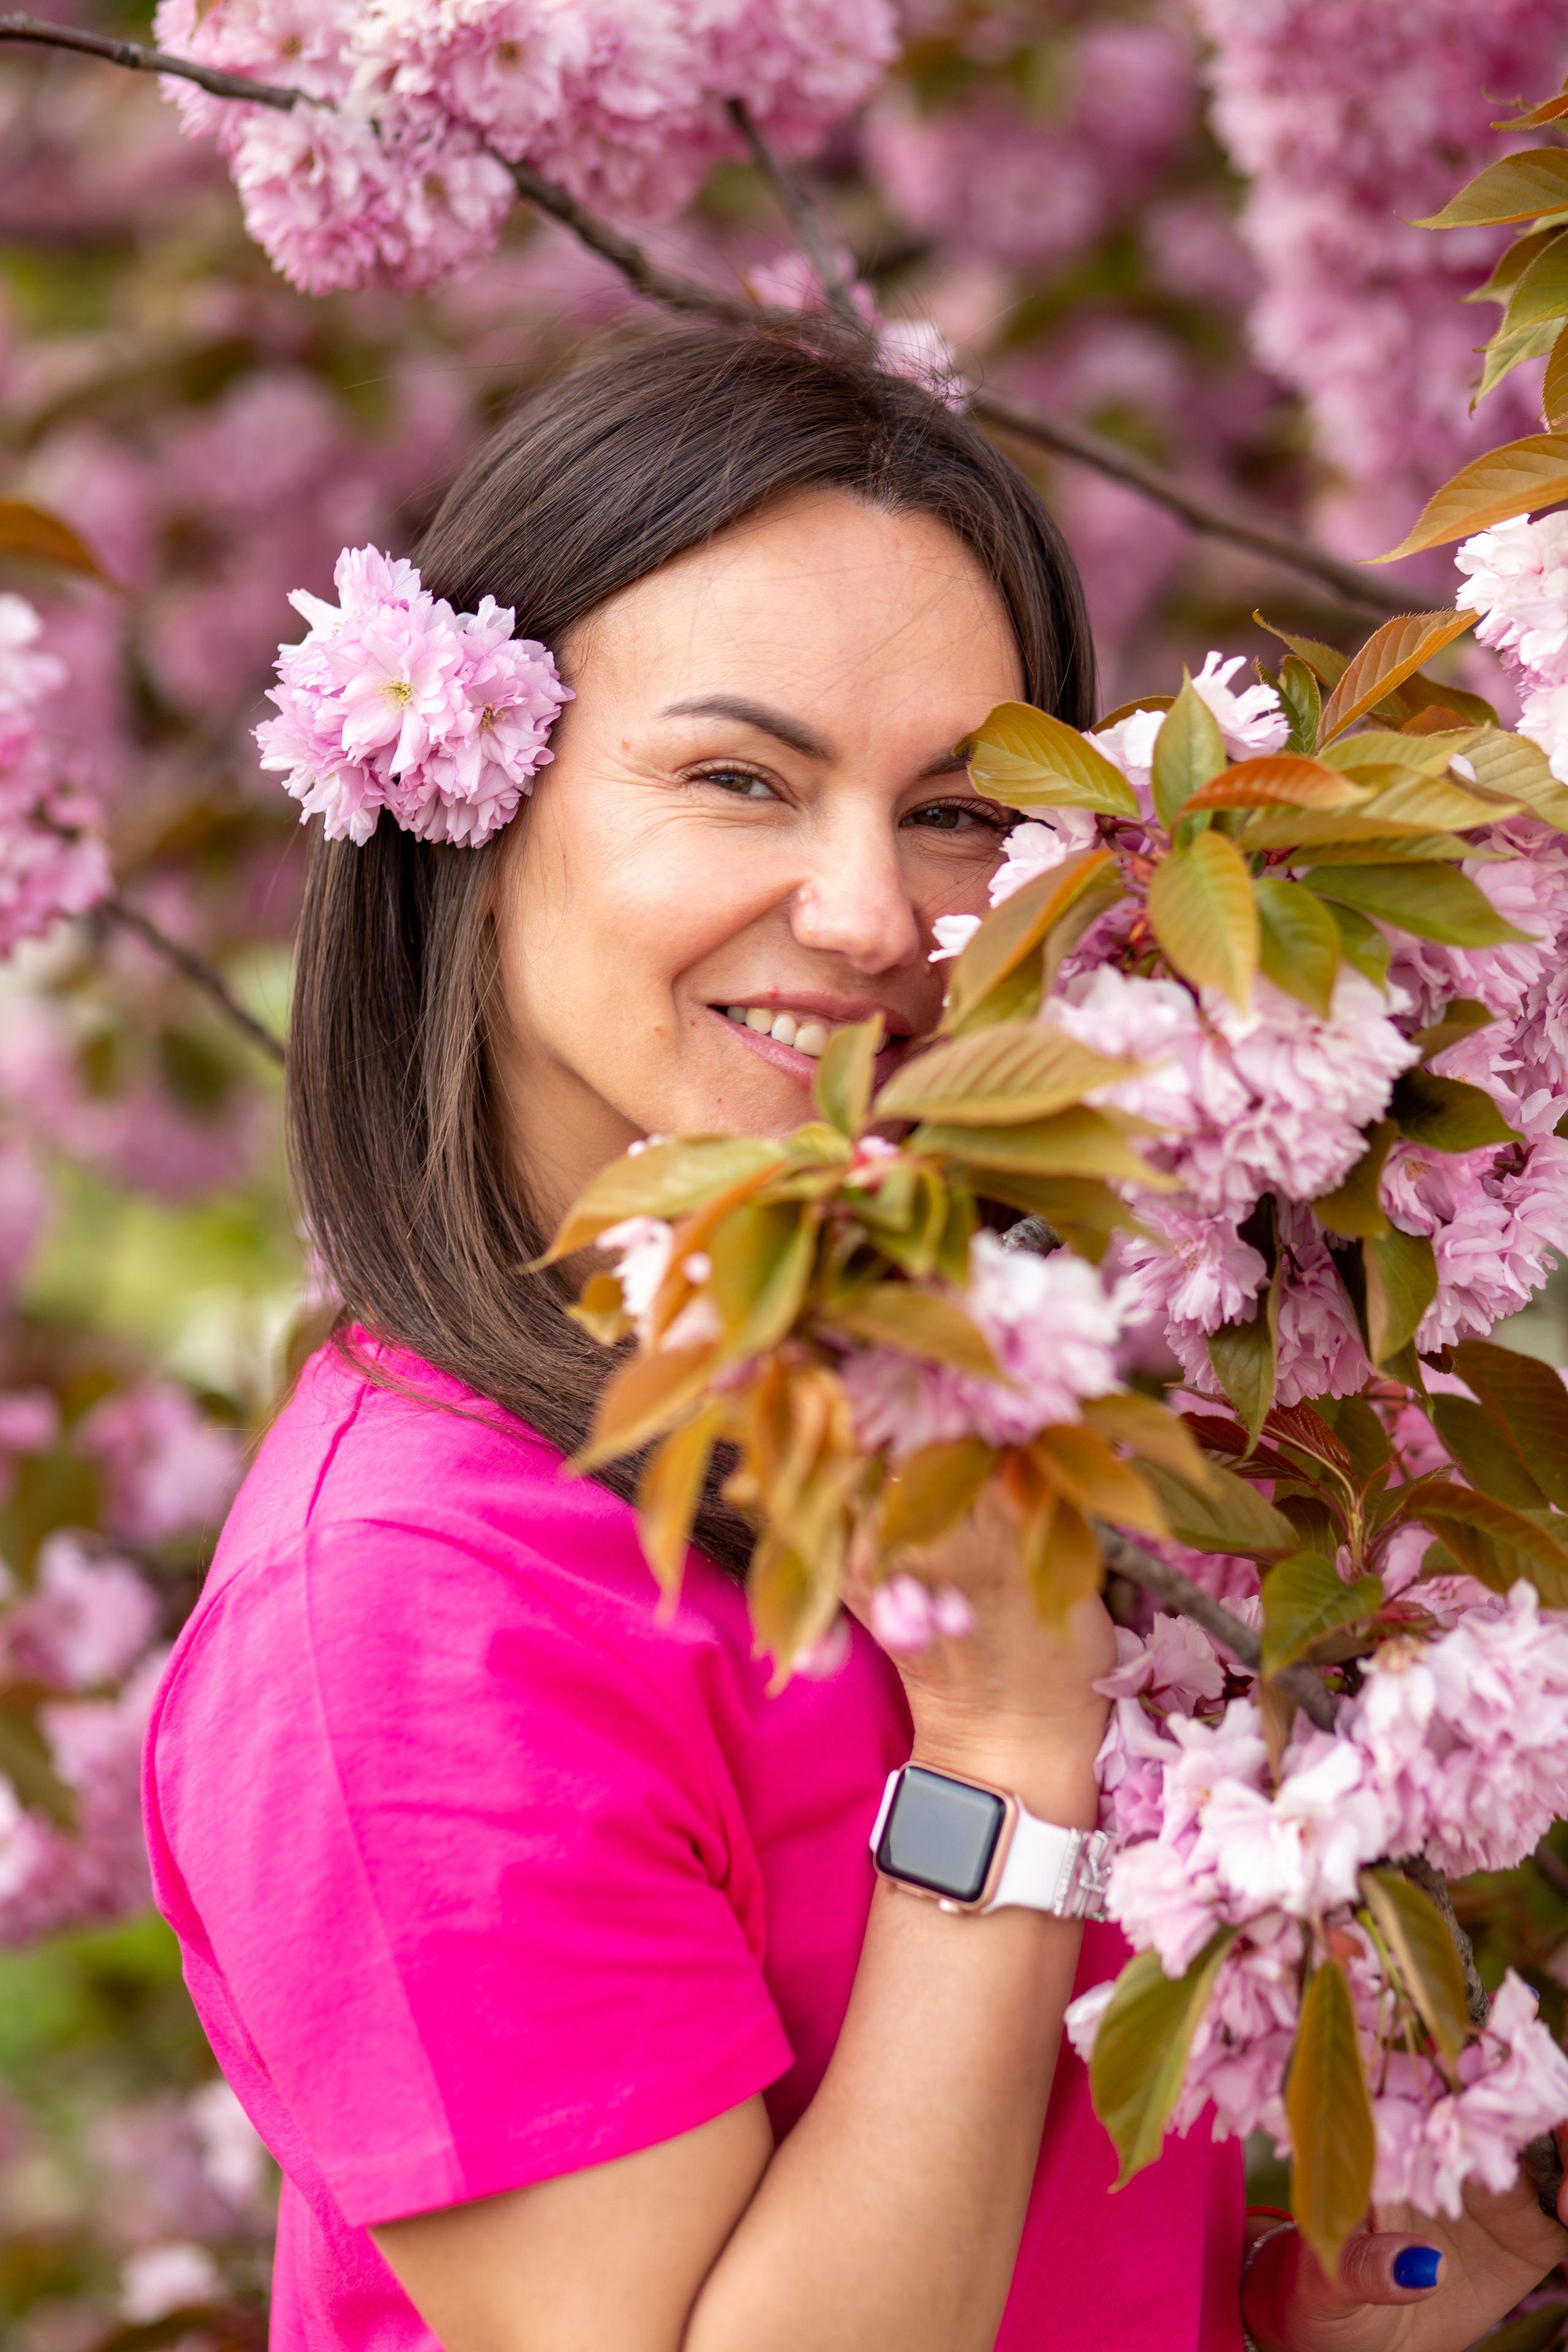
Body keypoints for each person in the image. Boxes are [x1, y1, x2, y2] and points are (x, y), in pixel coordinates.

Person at [143, 326, 1568, 2352]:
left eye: (958, 814)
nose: (868, 914)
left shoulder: (979, 1432)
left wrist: (1375, 2298)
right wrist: (1001, 1758)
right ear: (465, 791)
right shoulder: (411, 1615)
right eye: (741, 777)